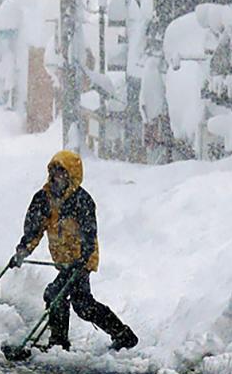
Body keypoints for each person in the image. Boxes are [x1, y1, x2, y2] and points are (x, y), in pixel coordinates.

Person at [9, 150, 138, 352]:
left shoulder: (82, 200)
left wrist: (84, 257)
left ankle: (58, 343)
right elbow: (34, 229)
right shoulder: (43, 199)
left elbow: (89, 233)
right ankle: (123, 334)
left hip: (81, 260)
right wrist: (23, 251)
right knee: (83, 306)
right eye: (53, 171)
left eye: (61, 172)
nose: (56, 177)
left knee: (55, 294)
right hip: (65, 261)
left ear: (71, 174)